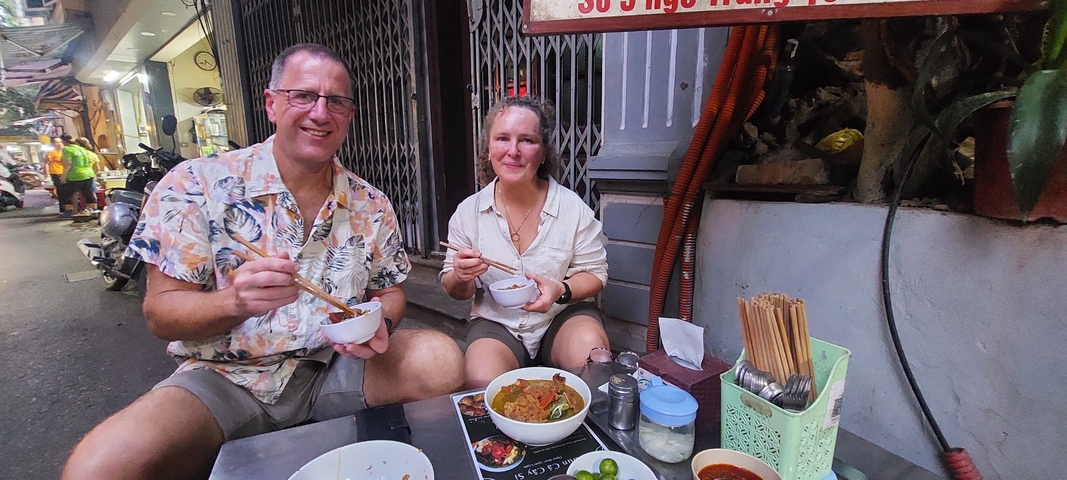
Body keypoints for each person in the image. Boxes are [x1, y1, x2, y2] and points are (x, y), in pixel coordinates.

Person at [62, 43, 465, 480]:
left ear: (349, 115)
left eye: (336, 101)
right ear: (272, 103)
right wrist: (232, 302)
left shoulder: (370, 203)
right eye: (303, 96)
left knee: (439, 359)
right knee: (99, 467)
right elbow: (161, 314)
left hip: (333, 366)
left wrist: (379, 323)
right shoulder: (196, 185)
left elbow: (388, 291)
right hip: (224, 378)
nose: (320, 112)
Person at [440, 96, 612, 389]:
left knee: (594, 360)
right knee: (481, 379)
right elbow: (454, 289)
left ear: (544, 152)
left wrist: (562, 289)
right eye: (503, 138)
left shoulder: (572, 208)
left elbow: (596, 274)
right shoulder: (468, 213)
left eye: (527, 140)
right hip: (497, 323)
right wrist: (461, 275)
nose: (513, 151)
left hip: (561, 317)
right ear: (489, 149)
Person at [59, 134, 98, 216]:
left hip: (75, 175)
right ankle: (92, 211)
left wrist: (63, 176)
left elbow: (68, 163)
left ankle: (73, 212)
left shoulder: (67, 149)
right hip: (88, 174)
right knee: (89, 194)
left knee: (71, 194)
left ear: (63, 141)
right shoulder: (81, 149)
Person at [44, 136, 66, 205]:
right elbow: (46, 164)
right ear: (53, 144)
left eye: (60, 142)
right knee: (60, 191)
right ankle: (63, 208)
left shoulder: (65, 151)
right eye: (56, 142)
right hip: (56, 173)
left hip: (65, 173)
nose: (59, 144)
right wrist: (47, 175)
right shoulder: (51, 152)